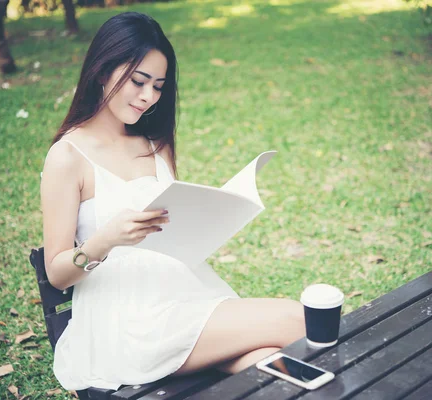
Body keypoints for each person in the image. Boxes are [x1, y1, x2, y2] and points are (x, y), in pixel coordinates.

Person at [40, 12, 305, 391]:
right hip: (129, 321)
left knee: (264, 360)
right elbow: (57, 272)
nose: (149, 97)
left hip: (187, 299)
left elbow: (175, 231)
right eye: (138, 81)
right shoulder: (68, 156)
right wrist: (106, 239)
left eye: (159, 86)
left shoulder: (154, 145)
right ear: (102, 71)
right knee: (297, 319)